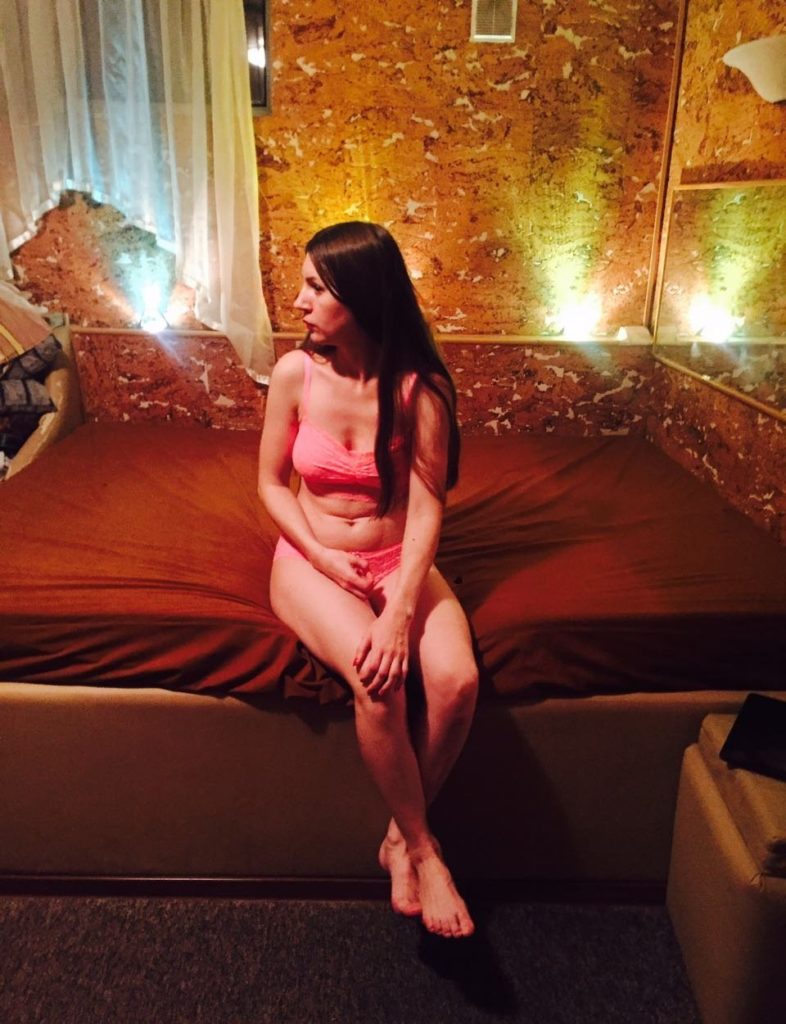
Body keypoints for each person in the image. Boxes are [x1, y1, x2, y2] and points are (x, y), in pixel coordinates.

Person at [258, 221, 478, 939]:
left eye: (315, 288)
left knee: (457, 682)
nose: (299, 301)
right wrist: (322, 559)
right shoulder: (295, 374)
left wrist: (399, 609)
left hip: (395, 560)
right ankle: (426, 853)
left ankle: (397, 832)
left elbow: (428, 506)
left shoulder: (422, 389)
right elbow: (271, 485)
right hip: (311, 561)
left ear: (359, 296)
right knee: (377, 681)